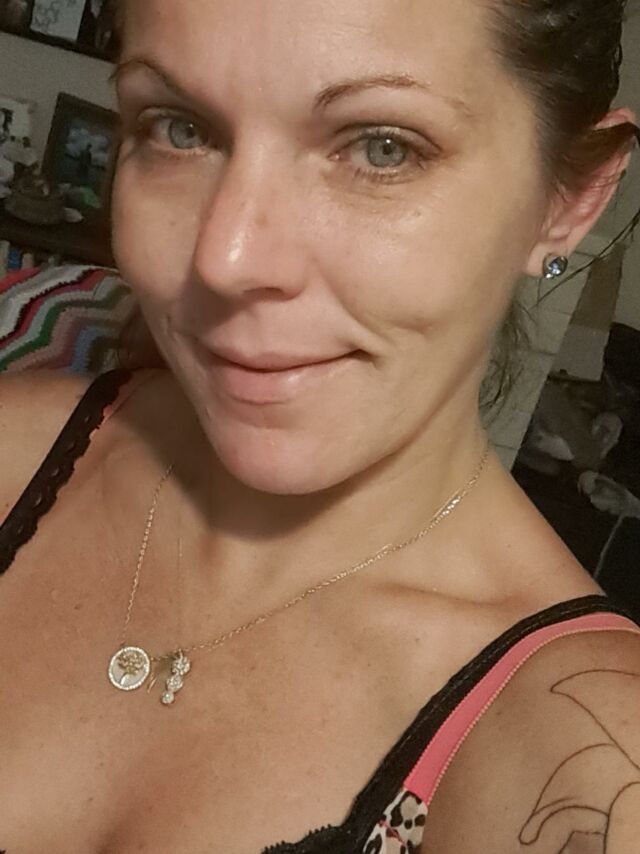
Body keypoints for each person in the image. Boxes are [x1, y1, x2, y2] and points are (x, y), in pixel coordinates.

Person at [1, 0, 640, 851]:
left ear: (569, 198)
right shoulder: (13, 457)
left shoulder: (585, 757)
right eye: (180, 130)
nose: (225, 260)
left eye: (382, 148)